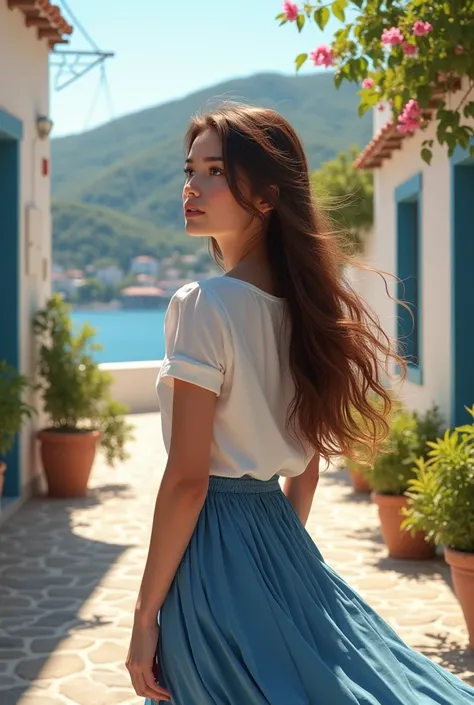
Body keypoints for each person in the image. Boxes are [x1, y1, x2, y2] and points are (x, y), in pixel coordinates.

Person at [126, 103, 474, 704]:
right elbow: (306, 466)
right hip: (279, 533)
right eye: (190, 170)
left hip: (213, 550)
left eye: (215, 171)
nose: (192, 186)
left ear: (265, 197)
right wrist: (279, 558)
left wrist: (142, 615)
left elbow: (188, 481)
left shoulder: (203, 304)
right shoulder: (306, 313)